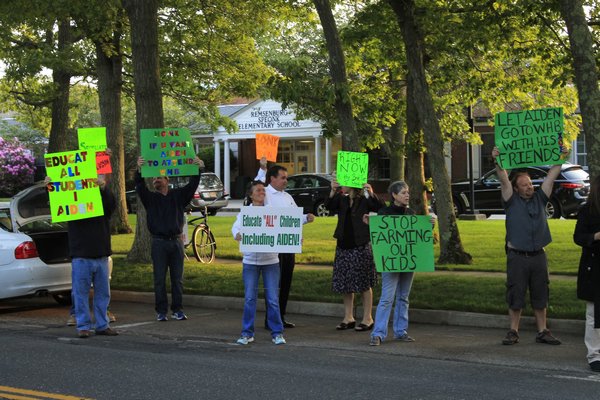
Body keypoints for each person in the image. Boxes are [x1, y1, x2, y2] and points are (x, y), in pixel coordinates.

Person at [492, 146, 562, 345]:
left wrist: (560, 156)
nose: (529, 187)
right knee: (516, 293)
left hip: (539, 256)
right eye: (524, 185)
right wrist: (498, 160)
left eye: (530, 183)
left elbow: (551, 175)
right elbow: (503, 177)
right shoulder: (510, 200)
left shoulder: (540, 199)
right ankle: (513, 331)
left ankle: (543, 331)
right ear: (516, 188)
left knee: (541, 293)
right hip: (517, 257)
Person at [135, 155, 204, 321]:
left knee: (177, 279)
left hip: (176, 242)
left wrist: (199, 169)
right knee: (159, 279)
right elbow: (139, 186)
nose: (155, 180)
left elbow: (192, 185)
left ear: (167, 180)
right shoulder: (150, 198)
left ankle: (177, 309)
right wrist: (138, 170)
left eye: (159, 178)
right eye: (153, 178)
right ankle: (161, 311)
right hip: (158, 243)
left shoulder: (178, 196)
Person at [369, 181, 436, 346]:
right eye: (404, 192)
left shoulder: (411, 214)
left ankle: (400, 331)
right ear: (394, 195)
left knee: (403, 297)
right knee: (387, 298)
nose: (407, 195)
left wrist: (429, 227)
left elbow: (420, 238)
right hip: (391, 263)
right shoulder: (384, 213)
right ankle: (377, 334)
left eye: (408, 192)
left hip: (408, 262)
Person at [255, 158, 315, 328]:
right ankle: (271, 319)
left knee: (285, 282)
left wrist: (306, 218)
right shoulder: (264, 194)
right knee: (274, 284)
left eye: (286, 178)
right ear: (272, 178)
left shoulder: (288, 197)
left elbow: (293, 218)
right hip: (273, 248)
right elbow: (256, 185)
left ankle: (280, 316)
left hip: (288, 245)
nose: (286, 181)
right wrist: (262, 168)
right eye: (283, 177)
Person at [325, 177, 384, 332]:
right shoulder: (342, 199)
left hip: (361, 244)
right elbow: (329, 206)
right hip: (344, 244)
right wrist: (332, 190)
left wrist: (371, 194)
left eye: (343, 182)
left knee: (364, 282)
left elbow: (379, 207)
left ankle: (367, 318)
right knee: (345, 283)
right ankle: (348, 317)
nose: (341, 184)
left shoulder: (364, 200)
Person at [232, 180, 286, 345]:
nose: (262, 192)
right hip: (250, 262)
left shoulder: (272, 211)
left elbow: (285, 227)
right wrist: (238, 235)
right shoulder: (245, 213)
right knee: (249, 298)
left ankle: (277, 332)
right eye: (258, 190)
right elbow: (235, 228)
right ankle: (247, 332)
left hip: (271, 261)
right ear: (251, 195)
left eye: (263, 190)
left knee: (272, 299)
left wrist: (296, 237)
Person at [64, 172, 117, 338]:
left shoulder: (102, 206)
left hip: (101, 255)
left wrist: (103, 188)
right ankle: (83, 326)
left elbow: (112, 204)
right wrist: (49, 187)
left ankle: (102, 325)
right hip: (81, 256)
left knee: (103, 294)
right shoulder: (71, 207)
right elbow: (57, 200)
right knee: (80, 294)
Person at [574, 175, 600, 372]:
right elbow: (578, 237)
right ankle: (594, 354)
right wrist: (596, 236)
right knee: (593, 313)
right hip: (594, 266)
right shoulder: (588, 210)